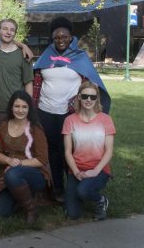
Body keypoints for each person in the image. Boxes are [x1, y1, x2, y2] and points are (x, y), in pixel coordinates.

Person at [33, 16, 111, 201]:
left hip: (70, 113)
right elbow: (37, 80)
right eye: (56, 38)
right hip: (46, 110)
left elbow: (90, 84)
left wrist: (81, 102)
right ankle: (58, 188)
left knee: (69, 149)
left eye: (64, 37)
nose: (60, 40)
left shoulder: (80, 57)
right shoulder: (46, 55)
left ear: (71, 37)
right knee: (52, 149)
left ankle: (74, 185)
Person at [0, 90, 51, 224]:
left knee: (13, 174)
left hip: (35, 173)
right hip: (8, 172)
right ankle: (23, 196)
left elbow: (42, 159)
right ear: (11, 107)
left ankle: (31, 210)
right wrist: (8, 160)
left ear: (29, 108)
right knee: (0, 212)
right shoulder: (4, 126)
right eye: (17, 106)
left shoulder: (35, 129)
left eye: (24, 107)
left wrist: (18, 164)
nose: (20, 110)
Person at [63, 81, 115, 220]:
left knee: (83, 190)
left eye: (93, 97)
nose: (88, 100)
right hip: (77, 169)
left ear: (97, 98)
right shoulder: (69, 120)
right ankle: (81, 191)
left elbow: (109, 150)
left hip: (99, 169)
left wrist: (96, 171)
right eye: (85, 96)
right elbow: (68, 151)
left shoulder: (106, 119)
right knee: (72, 214)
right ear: (79, 97)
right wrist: (75, 172)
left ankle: (101, 200)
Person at [0, 19, 33, 131]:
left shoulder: (23, 55)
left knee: (16, 144)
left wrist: (28, 107)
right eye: (5, 29)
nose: (8, 32)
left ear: (15, 33)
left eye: (12, 30)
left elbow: (28, 82)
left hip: (16, 109)